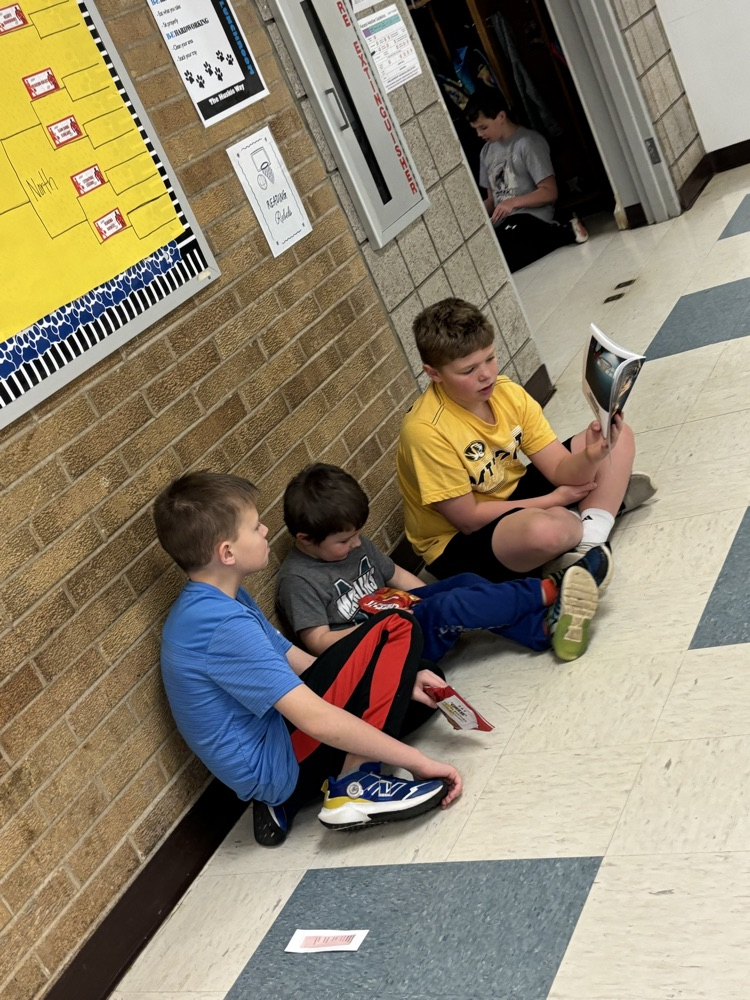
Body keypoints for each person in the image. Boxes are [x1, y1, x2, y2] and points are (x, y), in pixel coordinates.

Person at [152, 471, 462, 848]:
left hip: (281, 739)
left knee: (422, 681)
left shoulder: (219, 598)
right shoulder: (219, 625)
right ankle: (353, 783)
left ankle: (301, 795)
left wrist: (397, 676)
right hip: (279, 761)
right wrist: (418, 762)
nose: (266, 531)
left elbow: (300, 662)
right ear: (227, 552)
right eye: (255, 527)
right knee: (395, 626)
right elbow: (313, 716)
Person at [396, 298, 657, 585]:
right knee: (548, 531)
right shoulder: (425, 431)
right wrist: (550, 501)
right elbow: (468, 519)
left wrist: (594, 455)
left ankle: (590, 540)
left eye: (490, 358)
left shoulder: (507, 392)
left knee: (620, 440)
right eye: (468, 370)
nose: (486, 375)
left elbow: (559, 468)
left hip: (513, 494)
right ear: (433, 374)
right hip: (459, 542)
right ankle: (600, 509)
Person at [278, 464, 610, 664]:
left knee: (463, 583)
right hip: (381, 649)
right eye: (343, 541)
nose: (355, 545)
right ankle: (551, 590)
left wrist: (430, 600)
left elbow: (397, 575)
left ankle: (544, 629)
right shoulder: (298, 580)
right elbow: (318, 642)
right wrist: (383, 625)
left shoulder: (353, 541)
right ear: (305, 539)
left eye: (356, 536)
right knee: (450, 606)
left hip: (402, 616)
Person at [464, 86, 588, 272]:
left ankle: (564, 231)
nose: (480, 135)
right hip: (505, 225)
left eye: (484, 127)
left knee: (513, 244)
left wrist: (513, 203)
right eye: (476, 129)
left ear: (501, 117)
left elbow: (550, 192)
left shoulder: (528, 143)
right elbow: (492, 199)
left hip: (530, 220)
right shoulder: (486, 152)